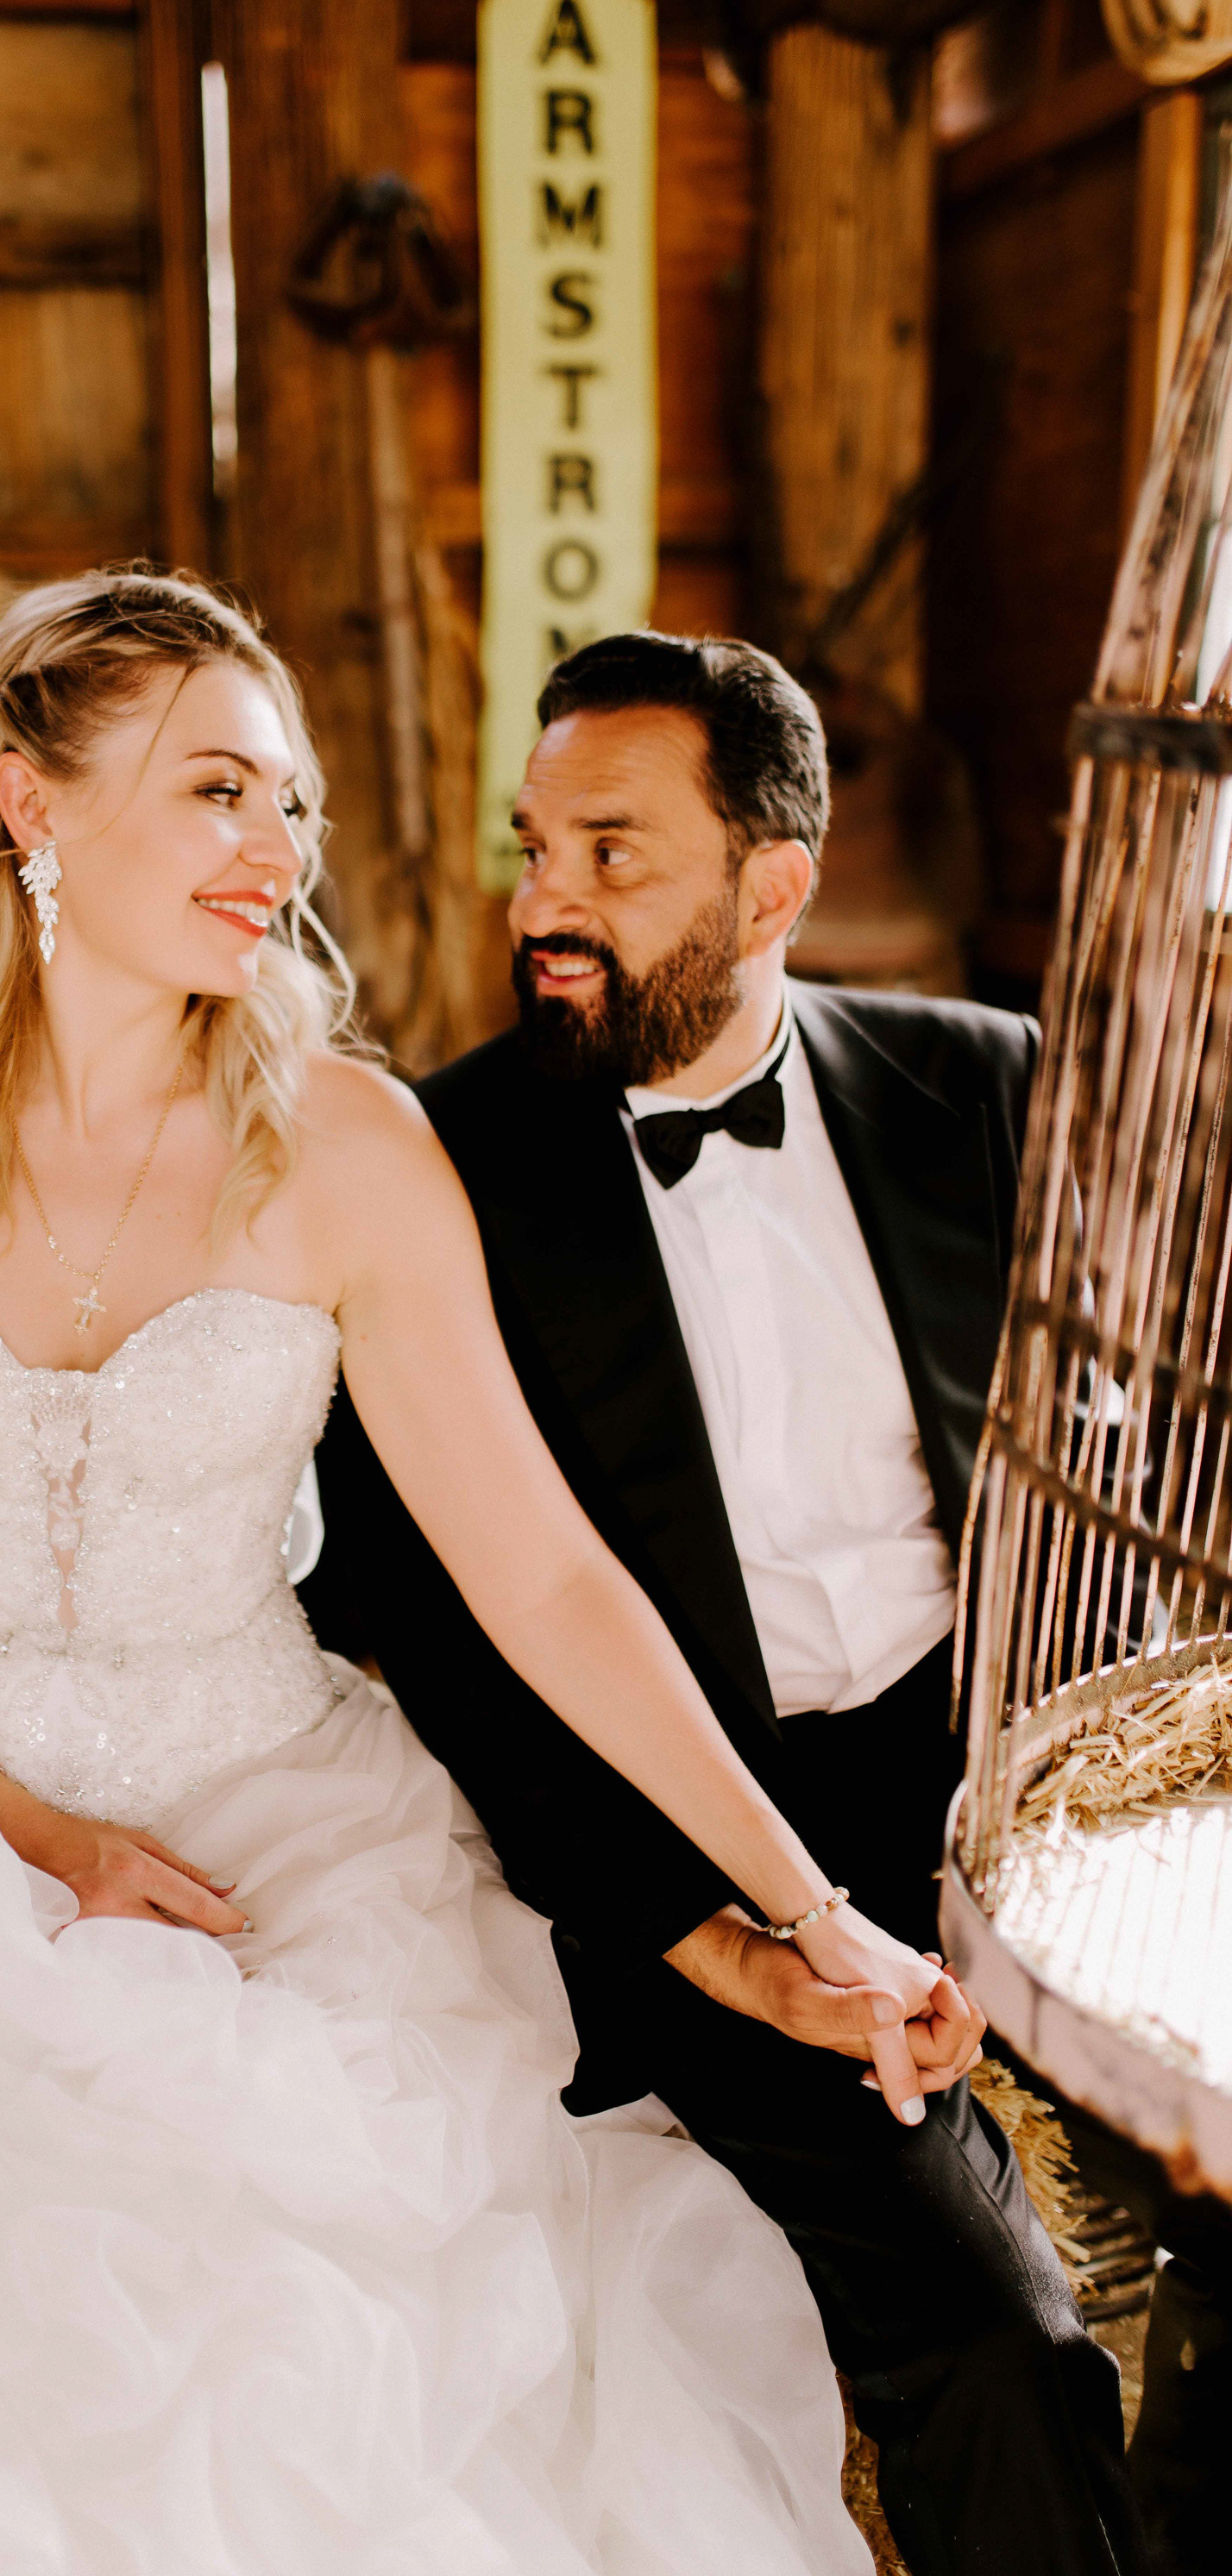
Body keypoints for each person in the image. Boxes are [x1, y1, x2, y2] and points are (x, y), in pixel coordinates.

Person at [0, 572, 963, 2574]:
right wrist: (31, 1841)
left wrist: (809, 1908)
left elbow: (543, 1581)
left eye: (291, 809)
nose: (282, 854)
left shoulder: (346, 1147)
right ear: (30, 807)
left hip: (281, 1848)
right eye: (219, 793)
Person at [299, 630, 1152, 2576]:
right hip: (689, 1826)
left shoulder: (974, 1085)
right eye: (534, 853)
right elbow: (422, 1618)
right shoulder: (441, 1169)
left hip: (1007, 1802)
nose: (546, 908)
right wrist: (708, 1930)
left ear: (774, 883)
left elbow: (1090, 1466)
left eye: (611, 855)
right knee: (994, 2335)